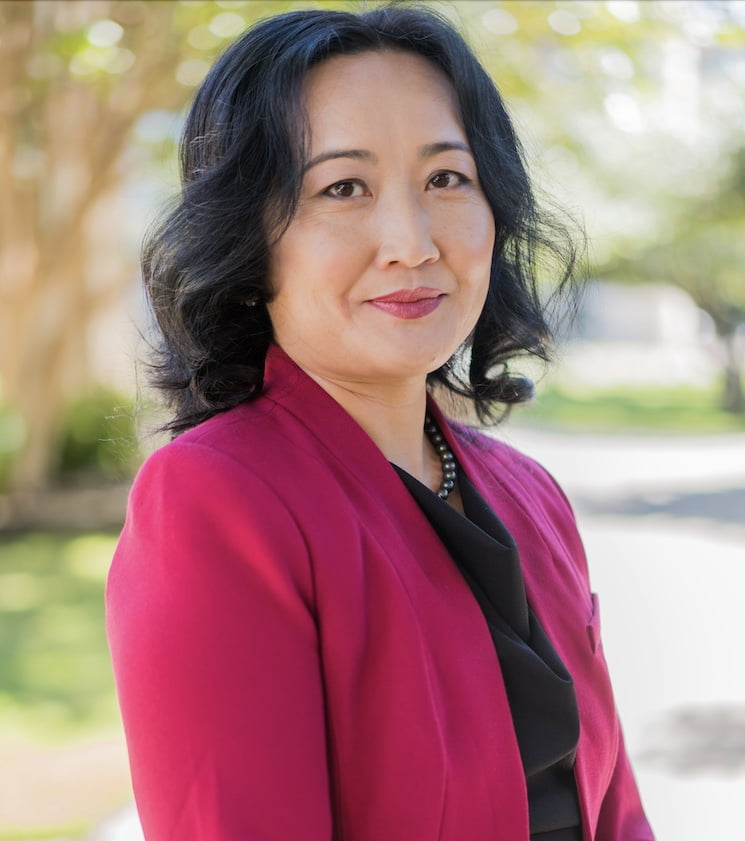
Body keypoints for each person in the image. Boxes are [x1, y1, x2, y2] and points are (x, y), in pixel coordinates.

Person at [106, 5, 654, 841]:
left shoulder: (527, 492)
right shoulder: (214, 504)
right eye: (342, 188)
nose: (411, 240)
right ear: (250, 244)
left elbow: (616, 811)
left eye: (445, 179)